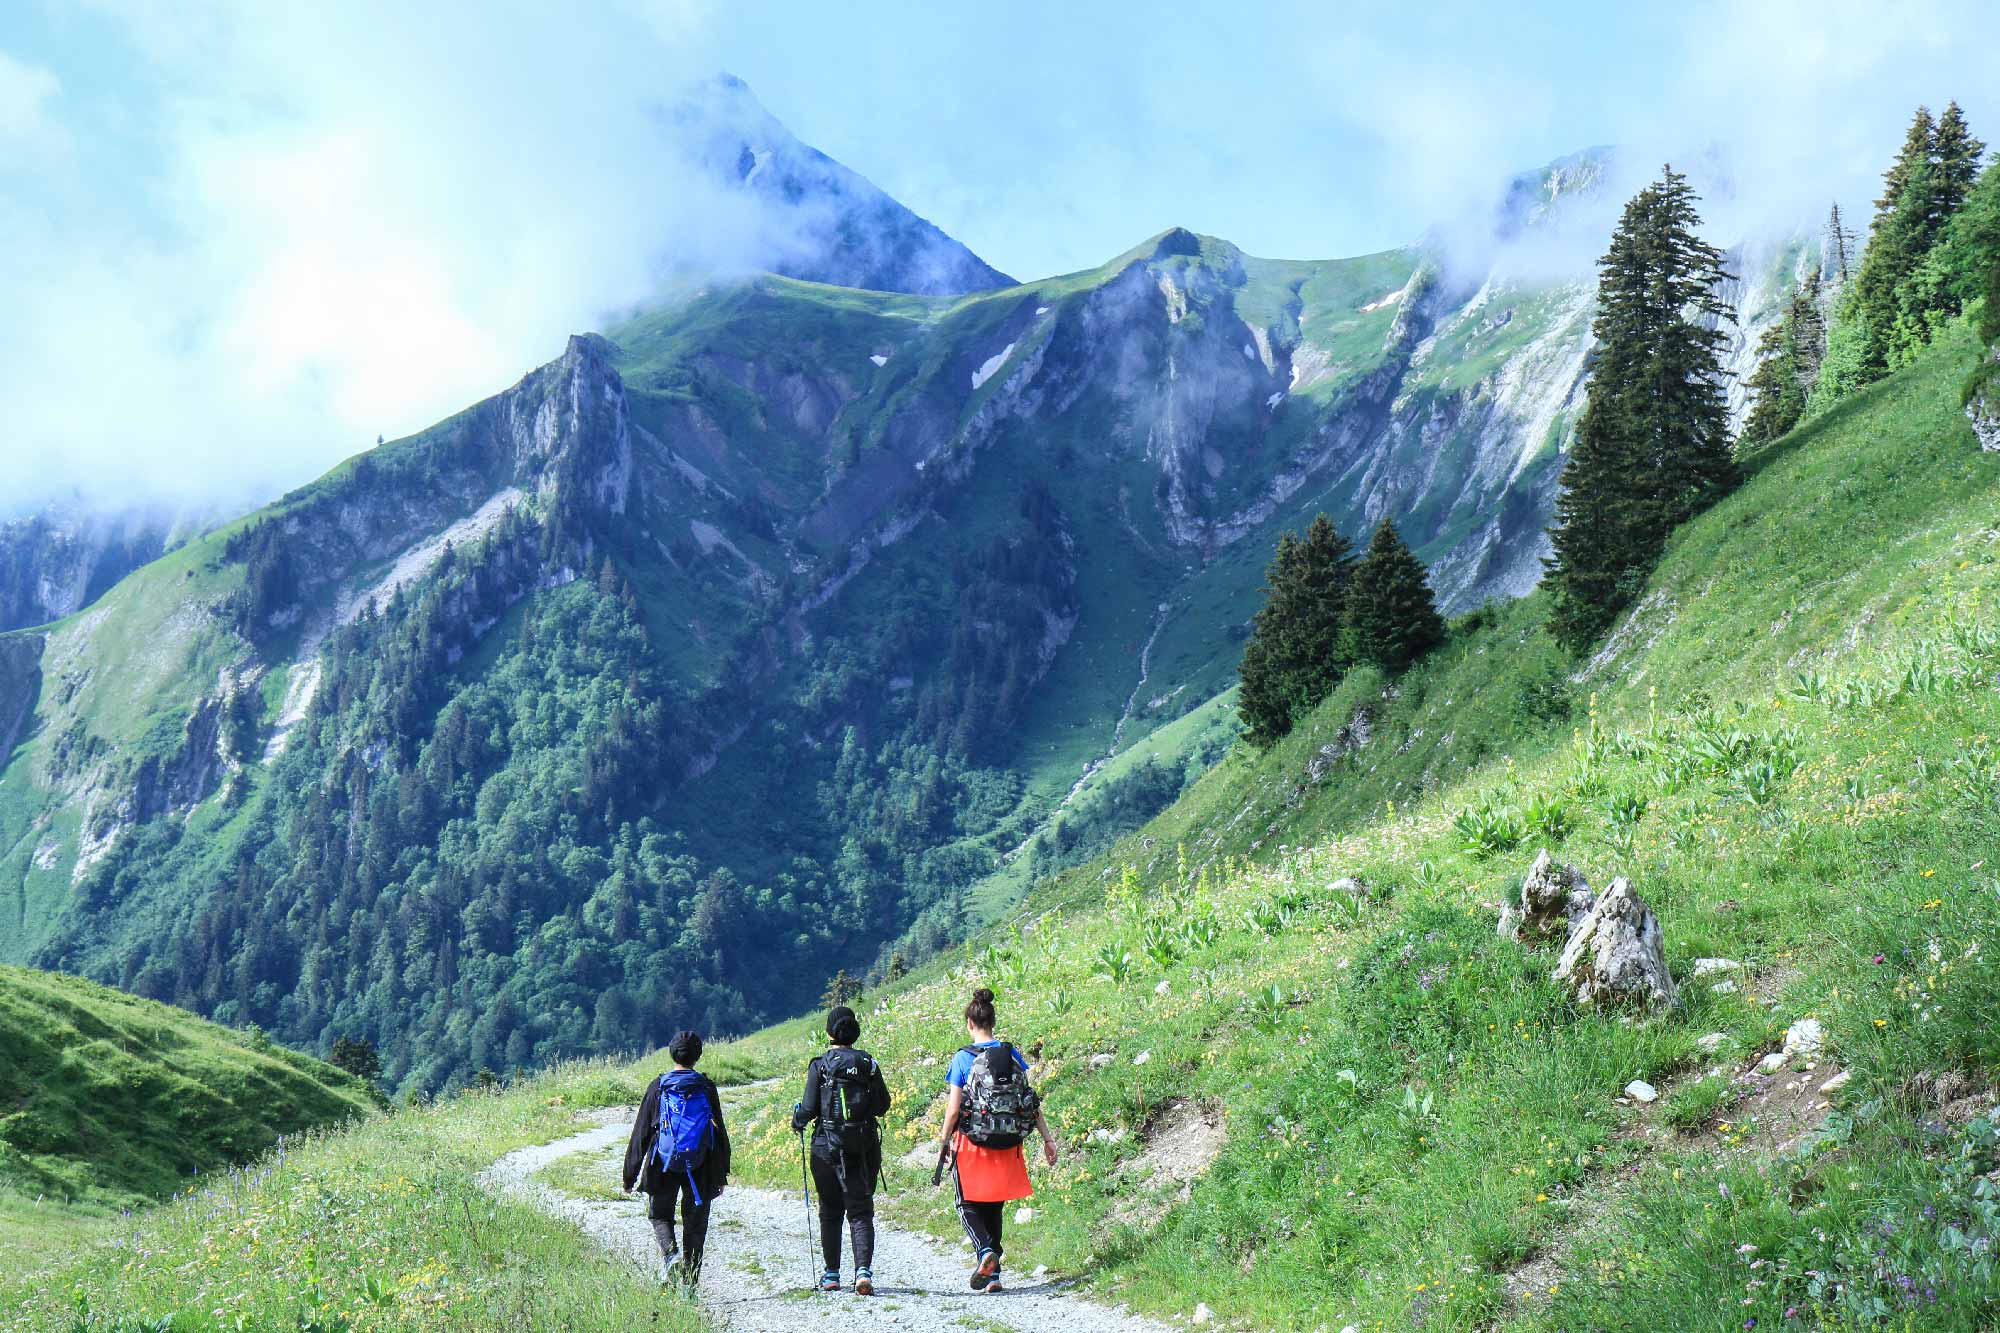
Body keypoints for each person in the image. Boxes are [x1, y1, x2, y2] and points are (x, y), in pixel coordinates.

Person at [941, 987, 1059, 1293]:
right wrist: (1048, 1140)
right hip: (1008, 1142)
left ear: (969, 1023)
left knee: (965, 1202)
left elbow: (954, 1109)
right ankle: (994, 1277)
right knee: (994, 1205)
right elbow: (1030, 1102)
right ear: (993, 1021)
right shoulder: (1011, 1054)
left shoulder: (963, 1059)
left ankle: (984, 1252)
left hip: (971, 1142)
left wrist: (943, 1141)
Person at [792, 1004, 894, 1295]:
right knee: (860, 1211)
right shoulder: (868, 1064)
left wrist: (796, 1119)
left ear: (829, 1032)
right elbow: (883, 1105)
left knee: (830, 1210)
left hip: (826, 1146)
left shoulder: (820, 1065)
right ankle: (863, 1273)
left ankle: (831, 1274)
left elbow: (809, 1109)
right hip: (863, 1146)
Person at [623, 1029, 731, 1285]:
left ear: (672, 1053)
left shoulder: (659, 1086)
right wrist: (721, 1172)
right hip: (701, 1163)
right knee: (695, 1226)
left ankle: (671, 1258)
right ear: (698, 1056)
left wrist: (630, 1175)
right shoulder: (705, 1086)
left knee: (660, 1215)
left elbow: (641, 1133)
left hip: (663, 1162)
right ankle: (690, 1285)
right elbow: (719, 1131)